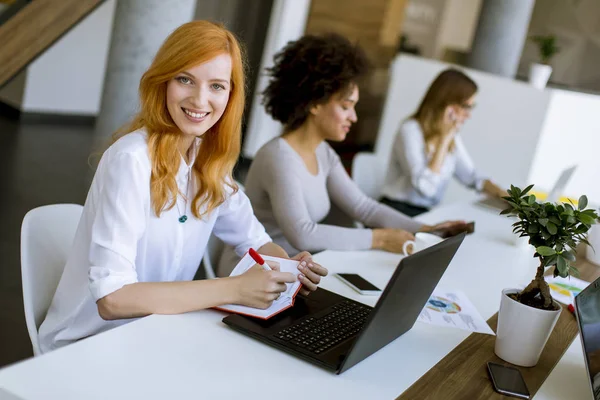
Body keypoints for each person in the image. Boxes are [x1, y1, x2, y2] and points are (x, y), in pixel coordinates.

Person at [38, 21, 327, 353]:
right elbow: (112, 300)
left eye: (217, 86)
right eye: (185, 79)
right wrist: (233, 289)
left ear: (231, 95)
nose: (200, 99)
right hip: (89, 346)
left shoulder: (210, 161)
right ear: (163, 81)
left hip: (156, 333)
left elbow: (256, 242)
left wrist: (288, 269)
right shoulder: (131, 161)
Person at [217, 34, 469, 277]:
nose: (354, 117)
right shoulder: (279, 156)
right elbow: (303, 233)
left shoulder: (323, 152)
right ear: (315, 103)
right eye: (345, 106)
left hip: (296, 268)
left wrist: (428, 230)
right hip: (251, 273)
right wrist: (380, 238)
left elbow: (363, 207)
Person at [380, 68, 505, 217]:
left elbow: (472, 176)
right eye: (466, 106)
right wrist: (444, 140)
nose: (469, 115)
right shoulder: (410, 130)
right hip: (397, 210)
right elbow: (426, 189)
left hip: (425, 213)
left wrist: (505, 196)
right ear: (447, 104)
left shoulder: (452, 136)